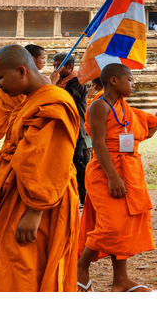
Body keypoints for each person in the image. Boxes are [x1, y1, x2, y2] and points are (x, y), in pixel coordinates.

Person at [0, 45, 80, 291]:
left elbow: (48, 160)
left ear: (22, 70)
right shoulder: (30, 101)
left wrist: (35, 212)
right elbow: (18, 147)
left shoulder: (53, 103)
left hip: (40, 199)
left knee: (22, 265)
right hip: (16, 191)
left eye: (0, 78)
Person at [77, 64, 157, 292]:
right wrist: (113, 177)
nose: (134, 84)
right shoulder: (98, 106)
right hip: (106, 170)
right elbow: (99, 143)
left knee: (126, 223)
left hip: (130, 169)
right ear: (113, 81)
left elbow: (149, 131)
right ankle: (80, 266)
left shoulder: (124, 108)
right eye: (130, 80)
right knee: (112, 226)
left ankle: (120, 280)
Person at [52, 53, 90, 206]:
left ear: (69, 67)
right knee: (61, 163)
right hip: (60, 128)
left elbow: (61, 97)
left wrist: (52, 84)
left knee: (75, 163)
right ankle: (65, 196)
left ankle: (84, 197)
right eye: (54, 65)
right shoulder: (60, 80)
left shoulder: (77, 82)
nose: (55, 69)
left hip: (75, 129)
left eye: (59, 66)